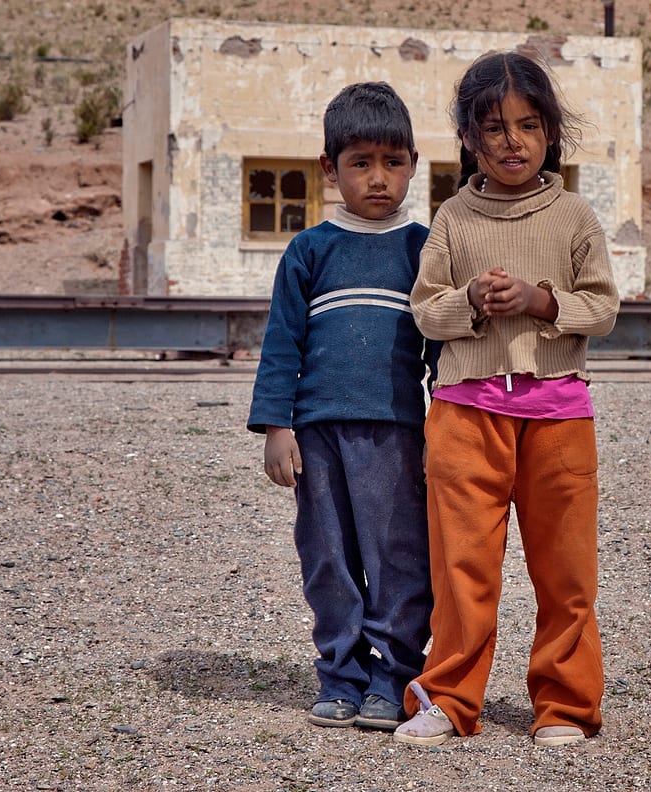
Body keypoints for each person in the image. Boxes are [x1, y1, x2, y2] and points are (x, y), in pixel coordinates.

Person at [392, 50, 619, 749]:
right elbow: (424, 309)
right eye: (493, 127)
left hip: (557, 416)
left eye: (527, 125)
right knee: (462, 571)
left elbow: (603, 308)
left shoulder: (575, 214)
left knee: (566, 572)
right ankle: (451, 701)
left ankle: (567, 705)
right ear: (468, 137)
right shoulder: (453, 219)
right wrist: (472, 302)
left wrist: (540, 300)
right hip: (464, 415)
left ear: (550, 130)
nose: (511, 141)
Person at [248, 81, 436, 733]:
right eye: (360, 163)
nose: (378, 178)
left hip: (396, 436)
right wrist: (277, 424)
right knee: (326, 555)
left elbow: (441, 348)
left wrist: (444, 428)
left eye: (393, 162)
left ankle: (393, 678)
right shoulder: (310, 250)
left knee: (397, 556)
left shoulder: (423, 248)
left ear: (414, 163)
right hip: (318, 436)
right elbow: (282, 341)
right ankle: (341, 674)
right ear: (330, 168)